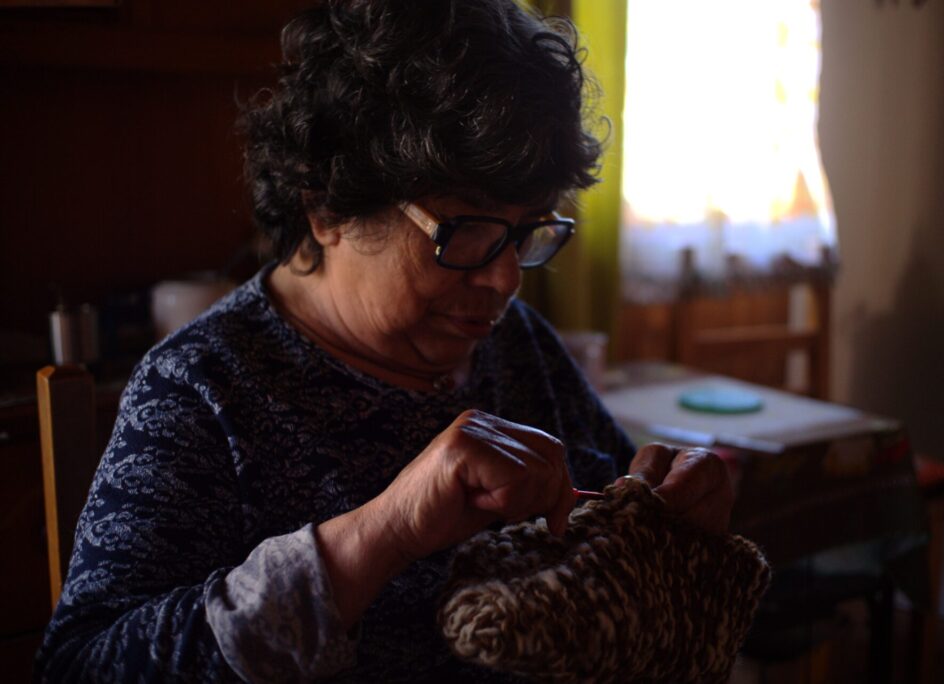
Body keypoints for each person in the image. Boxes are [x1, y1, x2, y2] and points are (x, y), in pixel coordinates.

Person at [35, 1, 733, 681]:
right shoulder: (202, 389)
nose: (505, 279)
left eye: (526, 231)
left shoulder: (512, 341)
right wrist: (385, 531)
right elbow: (79, 665)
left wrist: (663, 520)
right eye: (465, 231)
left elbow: (601, 524)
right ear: (328, 207)